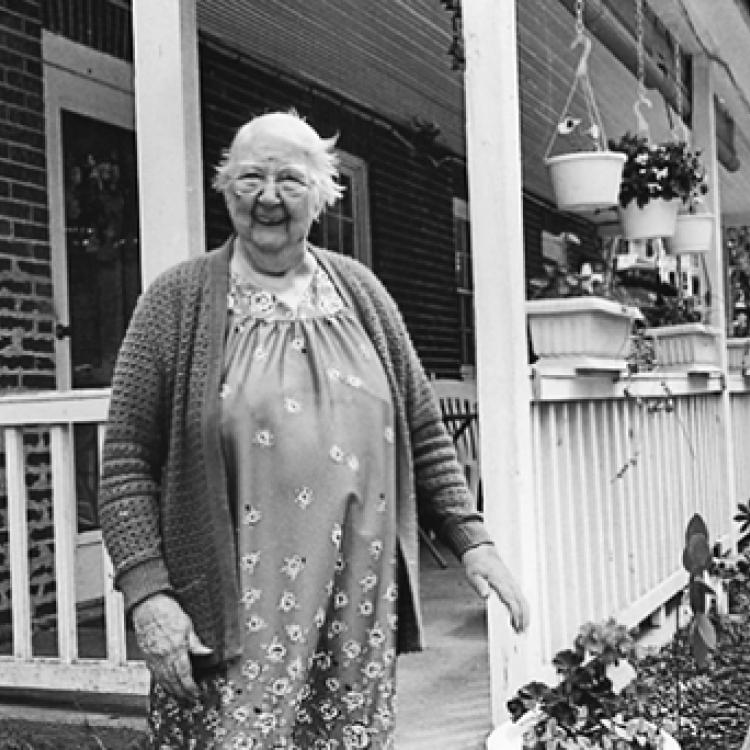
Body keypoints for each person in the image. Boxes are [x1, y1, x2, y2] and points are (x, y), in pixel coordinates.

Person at [99, 110, 529, 749]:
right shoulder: (177, 300)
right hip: (232, 613)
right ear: (225, 189)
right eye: (250, 178)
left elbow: (422, 427)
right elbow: (126, 460)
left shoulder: (361, 292)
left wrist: (472, 540)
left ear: (322, 195)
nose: (268, 197)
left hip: (354, 606)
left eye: (289, 180)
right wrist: (148, 595)